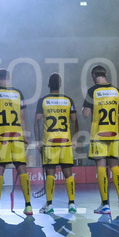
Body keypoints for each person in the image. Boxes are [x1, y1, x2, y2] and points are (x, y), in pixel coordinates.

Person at [0, 68, 33, 217]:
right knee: (22, 168)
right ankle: (28, 206)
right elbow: (23, 117)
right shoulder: (18, 93)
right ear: (9, 77)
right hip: (18, 136)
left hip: (2, 136)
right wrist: (25, 135)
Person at [82, 65, 119, 214]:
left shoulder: (92, 91)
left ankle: (105, 204)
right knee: (115, 166)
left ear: (93, 76)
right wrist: (115, 121)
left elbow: (86, 114)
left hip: (99, 134)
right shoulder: (116, 90)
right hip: (113, 134)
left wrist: (84, 109)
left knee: (101, 166)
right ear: (105, 74)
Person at [34, 73, 77, 214]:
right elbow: (74, 120)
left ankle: (49, 205)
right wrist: (74, 138)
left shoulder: (43, 101)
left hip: (50, 143)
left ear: (48, 85)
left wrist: (37, 141)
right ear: (60, 85)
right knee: (68, 174)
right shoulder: (68, 100)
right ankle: (72, 204)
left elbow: (36, 121)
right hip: (65, 142)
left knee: (50, 174)